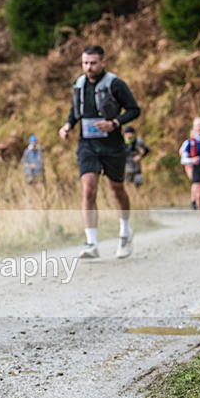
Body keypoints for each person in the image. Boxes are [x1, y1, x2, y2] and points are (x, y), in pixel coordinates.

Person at [59, 45, 140, 259]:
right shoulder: (79, 83)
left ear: (102, 62)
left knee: (116, 189)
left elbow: (134, 109)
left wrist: (115, 122)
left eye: (93, 63)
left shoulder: (115, 84)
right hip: (87, 144)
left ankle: (125, 231)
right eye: (85, 63)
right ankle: (91, 243)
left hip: (112, 144)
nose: (89, 67)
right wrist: (67, 126)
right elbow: (76, 110)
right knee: (88, 188)